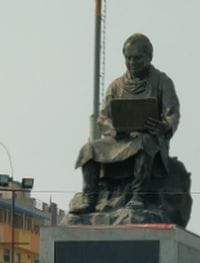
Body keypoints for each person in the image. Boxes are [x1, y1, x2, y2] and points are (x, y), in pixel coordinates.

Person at [72, 33, 180, 213]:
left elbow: (172, 113)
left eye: (137, 58)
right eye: (128, 58)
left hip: (149, 141)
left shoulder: (162, 82)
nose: (132, 62)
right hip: (119, 140)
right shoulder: (116, 86)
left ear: (148, 57)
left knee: (145, 142)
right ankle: (90, 198)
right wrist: (114, 129)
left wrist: (165, 126)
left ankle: (139, 196)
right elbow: (102, 117)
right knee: (88, 149)